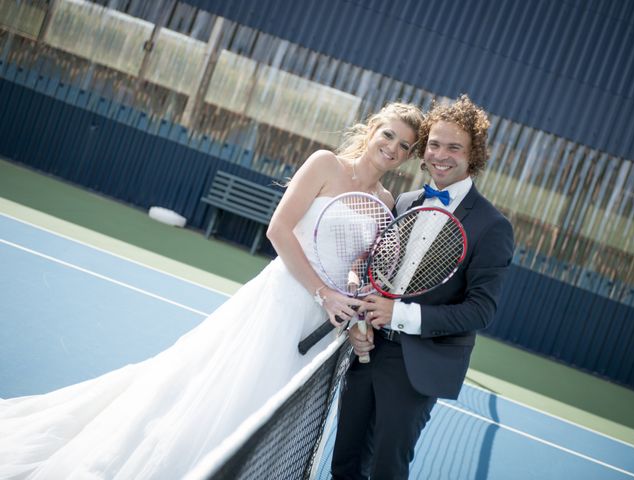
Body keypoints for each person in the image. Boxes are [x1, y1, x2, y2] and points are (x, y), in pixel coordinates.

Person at [0, 102, 423, 479]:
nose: (393, 147)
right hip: (284, 301)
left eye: (404, 146)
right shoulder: (325, 164)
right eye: (389, 134)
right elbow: (278, 229)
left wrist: (348, 293)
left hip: (321, 324)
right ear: (372, 130)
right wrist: (321, 293)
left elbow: (353, 265)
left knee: (273, 416)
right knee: (230, 397)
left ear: (407, 157)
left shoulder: (386, 203)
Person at [331, 95, 515, 480]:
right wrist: (360, 322)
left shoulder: (492, 226)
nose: (441, 155)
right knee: (345, 461)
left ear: (473, 154)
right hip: (370, 349)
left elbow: (481, 310)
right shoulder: (407, 201)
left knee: (386, 468)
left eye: (454, 147)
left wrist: (399, 314)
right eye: (434, 144)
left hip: (417, 365)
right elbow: (373, 272)